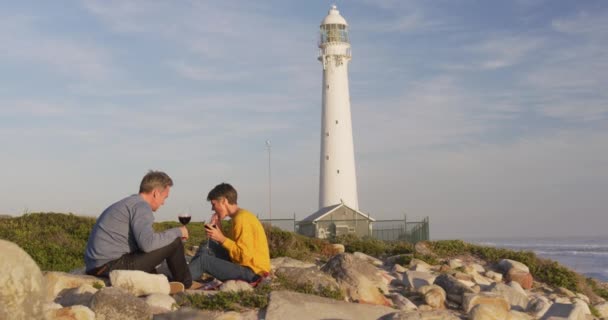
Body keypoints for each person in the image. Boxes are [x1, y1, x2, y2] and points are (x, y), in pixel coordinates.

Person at [84, 170, 194, 291]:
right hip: (110, 266)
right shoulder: (142, 206)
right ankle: (186, 283)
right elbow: (147, 244)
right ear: (156, 193)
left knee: (160, 243)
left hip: (96, 266)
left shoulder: (129, 203)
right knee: (174, 241)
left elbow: (142, 244)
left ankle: (161, 281)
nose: (163, 202)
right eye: (164, 197)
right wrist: (178, 231)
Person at [189, 183, 270, 283]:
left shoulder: (242, 219)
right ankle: (189, 274)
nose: (212, 209)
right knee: (208, 246)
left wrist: (222, 238)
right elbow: (232, 249)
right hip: (244, 267)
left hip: (253, 273)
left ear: (223, 201)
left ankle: (181, 281)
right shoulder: (238, 217)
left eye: (214, 204)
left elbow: (244, 257)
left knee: (203, 261)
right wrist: (220, 230)